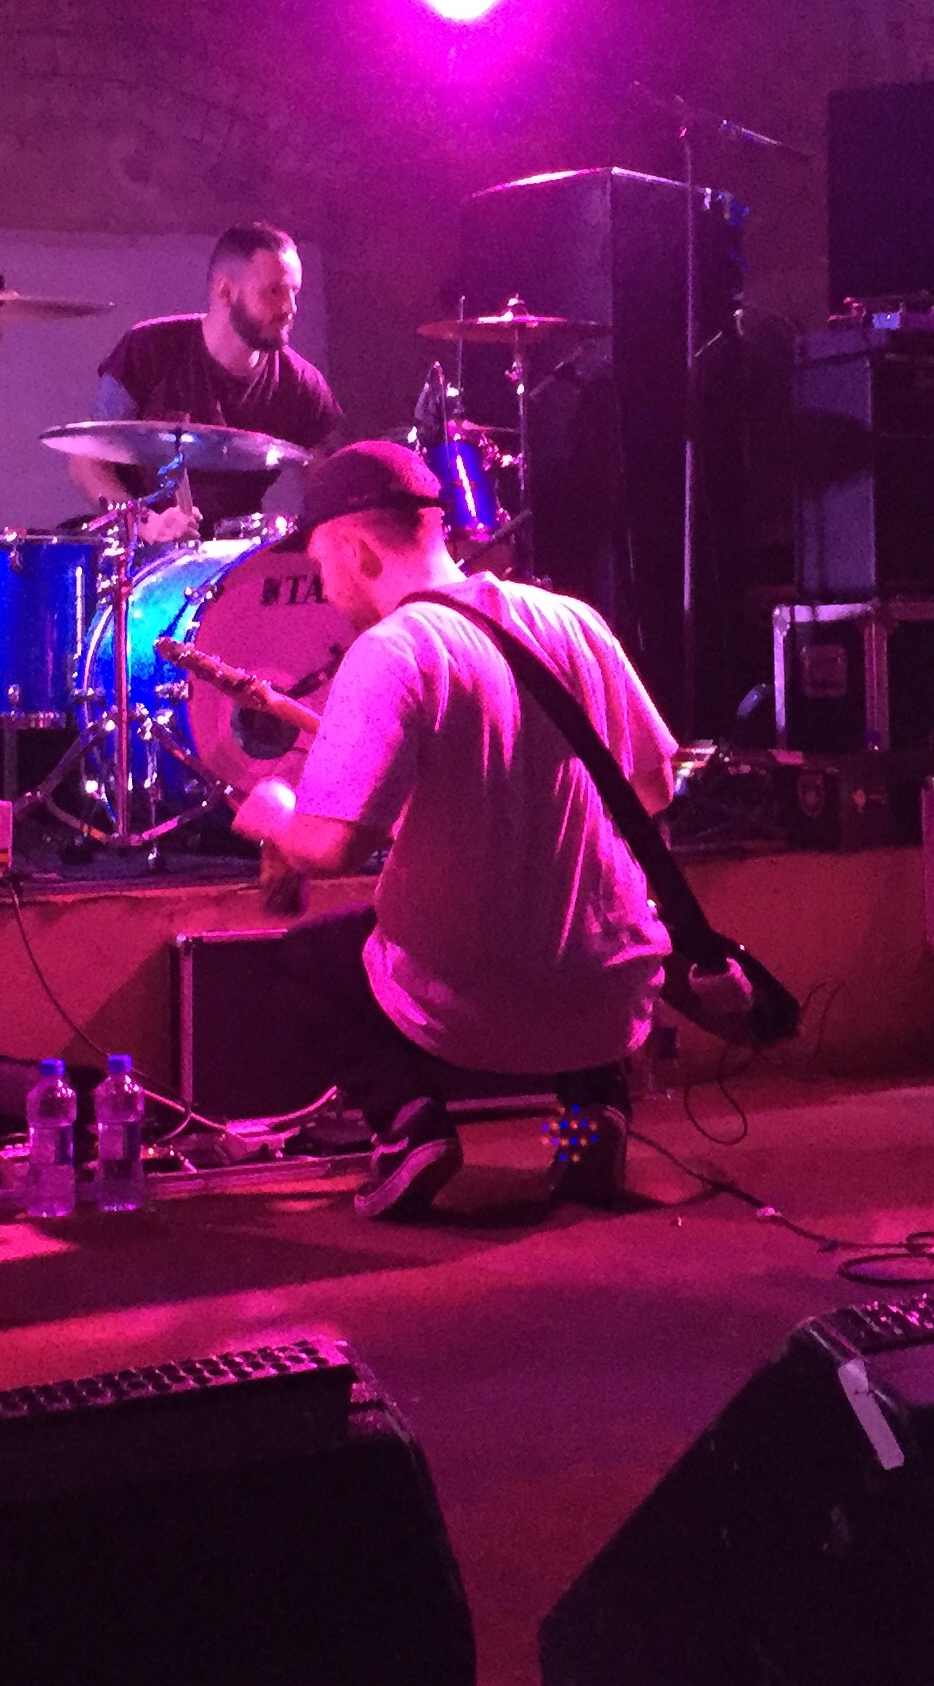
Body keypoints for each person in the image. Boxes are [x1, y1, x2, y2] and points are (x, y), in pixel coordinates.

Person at [230, 442, 674, 1220]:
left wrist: (271, 811)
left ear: (358, 551)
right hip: (606, 990)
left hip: (468, 1001)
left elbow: (332, 847)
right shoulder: (575, 621)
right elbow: (653, 787)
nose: (326, 592)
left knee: (300, 964)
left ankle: (411, 1129)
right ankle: (588, 1124)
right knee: (569, 934)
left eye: (322, 568)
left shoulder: (395, 649)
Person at [71, 223, 342, 540]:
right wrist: (144, 524)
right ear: (225, 291)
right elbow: (86, 463)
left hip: (235, 553)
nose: (290, 308)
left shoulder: (301, 384)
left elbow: (330, 488)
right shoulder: (149, 348)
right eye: (274, 292)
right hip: (143, 549)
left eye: (294, 292)